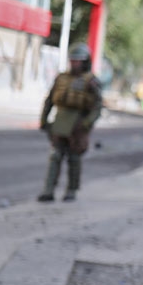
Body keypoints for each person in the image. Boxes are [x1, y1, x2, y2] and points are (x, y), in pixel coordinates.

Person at [38, 42, 102, 202]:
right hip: (60, 121)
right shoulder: (62, 78)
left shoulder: (90, 81)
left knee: (74, 158)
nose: (74, 64)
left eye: (78, 61)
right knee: (55, 156)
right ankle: (49, 190)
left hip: (78, 124)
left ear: (85, 62)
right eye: (72, 60)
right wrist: (44, 119)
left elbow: (97, 106)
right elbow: (49, 100)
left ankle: (71, 190)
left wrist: (87, 123)